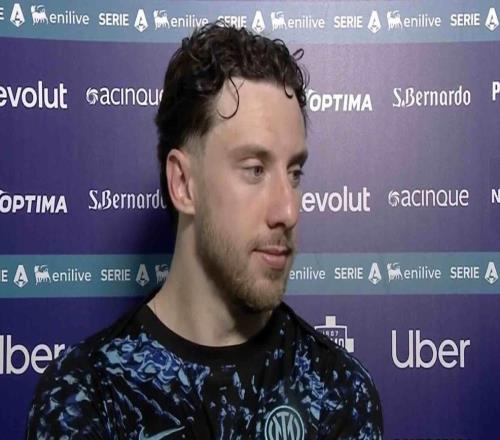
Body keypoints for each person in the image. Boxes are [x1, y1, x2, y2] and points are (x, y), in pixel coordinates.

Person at [27, 23, 383, 439]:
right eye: (255, 170)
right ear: (183, 183)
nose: (288, 210)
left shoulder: (338, 391)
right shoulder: (86, 396)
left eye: (295, 173)